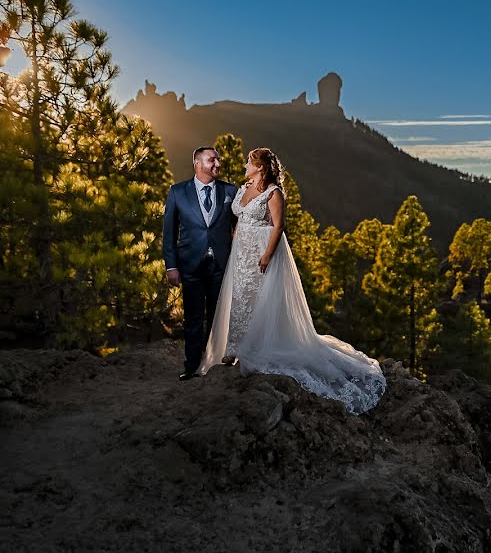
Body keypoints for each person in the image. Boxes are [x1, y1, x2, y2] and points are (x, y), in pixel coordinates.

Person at [199, 147, 385, 415]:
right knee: (240, 297)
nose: (244, 166)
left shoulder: (273, 193)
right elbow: (237, 219)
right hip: (242, 250)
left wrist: (267, 254)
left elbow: (278, 225)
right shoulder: (245, 186)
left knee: (262, 300)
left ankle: (260, 346)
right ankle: (235, 347)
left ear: (261, 167)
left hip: (263, 249)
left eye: (249, 163)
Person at [162, 147, 239, 381]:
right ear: (197, 163)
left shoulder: (230, 191)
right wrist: (171, 266)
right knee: (193, 317)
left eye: (218, 159)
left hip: (221, 265)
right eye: (212, 159)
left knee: (219, 316)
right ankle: (192, 366)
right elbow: (169, 233)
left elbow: (241, 229)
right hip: (190, 265)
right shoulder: (177, 192)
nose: (218, 162)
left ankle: (217, 362)